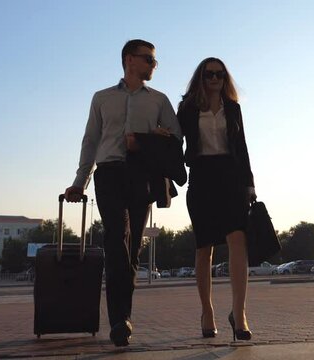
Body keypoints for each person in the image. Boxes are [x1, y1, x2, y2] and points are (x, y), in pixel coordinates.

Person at [64, 39, 182, 347]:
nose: (154, 65)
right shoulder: (102, 98)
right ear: (130, 60)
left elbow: (176, 136)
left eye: (154, 61)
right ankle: (119, 321)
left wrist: (149, 139)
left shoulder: (159, 100)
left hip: (141, 175)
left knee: (131, 252)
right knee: (115, 241)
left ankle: (123, 317)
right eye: (149, 59)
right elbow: (90, 140)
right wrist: (80, 182)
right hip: (109, 174)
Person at [177, 57, 256, 341]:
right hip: (201, 177)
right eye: (209, 74)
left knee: (238, 241)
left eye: (220, 75)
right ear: (201, 77)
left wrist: (249, 183)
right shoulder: (187, 108)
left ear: (225, 78)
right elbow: (176, 142)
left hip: (231, 176)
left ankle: (239, 312)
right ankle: (207, 311)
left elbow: (243, 147)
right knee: (204, 247)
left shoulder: (233, 109)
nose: (214, 79)